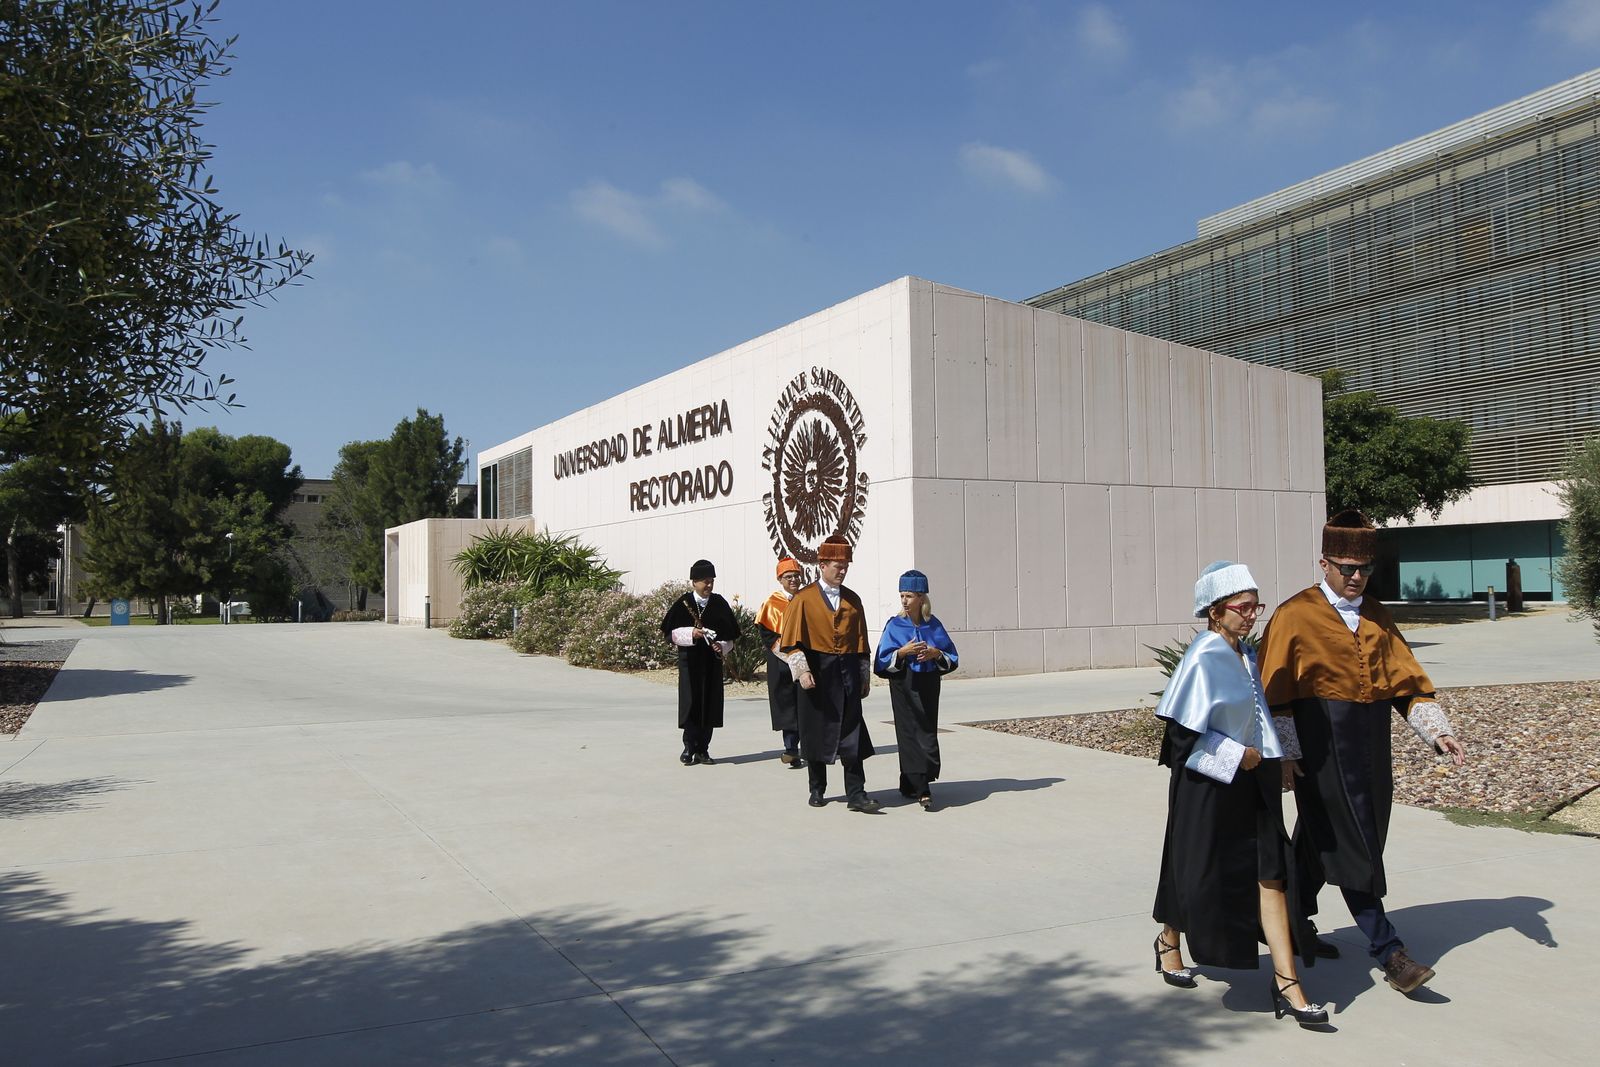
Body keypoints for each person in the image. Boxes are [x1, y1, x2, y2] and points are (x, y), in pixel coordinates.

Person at [1259, 510, 1468, 995]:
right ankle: (1389, 951)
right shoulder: (1294, 614)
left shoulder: (1377, 613)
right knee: (1352, 843)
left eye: (1364, 570)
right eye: (1346, 568)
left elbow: (1406, 684)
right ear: (1324, 564)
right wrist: (1286, 756)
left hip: (1371, 748)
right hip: (1319, 748)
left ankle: (1288, 921)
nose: (1356, 578)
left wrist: (1436, 732)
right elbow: (1275, 695)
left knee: (1324, 837)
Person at [1153, 561, 1328, 1028]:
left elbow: (1259, 718)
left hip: (1254, 783)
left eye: (1256, 606)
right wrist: (1236, 755)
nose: (1252, 615)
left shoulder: (1246, 655)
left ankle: (1288, 982)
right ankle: (1169, 939)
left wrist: (1273, 758)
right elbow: (1180, 737)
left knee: (1271, 873)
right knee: (1195, 873)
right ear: (1216, 611)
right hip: (1207, 789)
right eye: (1243, 607)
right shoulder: (1204, 655)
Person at [778, 535, 879, 813]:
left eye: (846, 565)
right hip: (816, 674)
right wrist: (802, 671)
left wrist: (863, 679)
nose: (842, 570)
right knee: (815, 731)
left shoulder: (854, 601)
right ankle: (817, 788)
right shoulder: (803, 599)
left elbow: (861, 646)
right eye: (837, 565)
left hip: (846, 674)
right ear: (822, 565)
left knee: (852, 735)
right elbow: (790, 644)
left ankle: (856, 793)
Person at [873, 569, 958, 810]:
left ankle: (909, 782)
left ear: (922, 598)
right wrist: (902, 652)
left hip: (929, 683)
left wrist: (935, 653)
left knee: (927, 730)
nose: (904, 601)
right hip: (903, 684)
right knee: (908, 733)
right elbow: (881, 661)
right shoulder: (894, 625)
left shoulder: (935, 625)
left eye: (909, 596)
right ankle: (923, 789)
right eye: (902, 595)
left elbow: (952, 656)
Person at [659, 559, 738, 766]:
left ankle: (703, 749)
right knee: (691, 703)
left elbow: (731, 637)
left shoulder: (719, 603)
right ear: (694, 582)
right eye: (704, 582)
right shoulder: (683, 603)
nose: (709, 586)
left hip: (711, 664)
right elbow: (670, 633)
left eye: (711, 581)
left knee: (709, 704)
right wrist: (691, 633)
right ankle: (688, 747)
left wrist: (722, 645)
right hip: (690, 662)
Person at [754, 557, 808, 768]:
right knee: (787, 706)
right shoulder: (771, 603)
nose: (793, 580)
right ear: (780, 579)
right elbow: (767, 635)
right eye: (788, 577)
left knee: (807, 704)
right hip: (781, 662)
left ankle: (810, 746)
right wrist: (791, 656)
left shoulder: (807, 599)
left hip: (807, 662)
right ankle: (791, 749)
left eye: (796, 576)